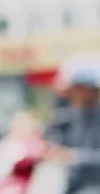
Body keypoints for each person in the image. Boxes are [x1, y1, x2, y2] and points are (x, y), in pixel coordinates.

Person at [45, 56, 100, 194]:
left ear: (91, 89)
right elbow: (53, 137)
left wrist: (75, 156)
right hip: (74, 186)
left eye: (77, 88)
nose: (71, 95)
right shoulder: (71, 115)